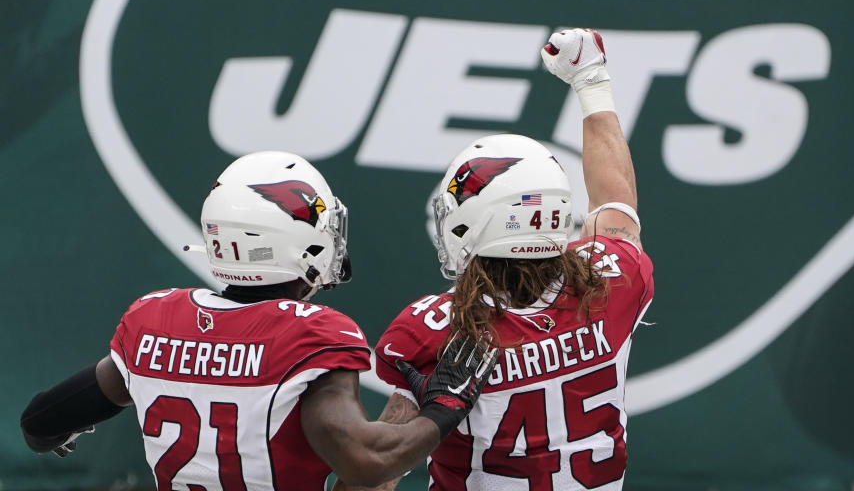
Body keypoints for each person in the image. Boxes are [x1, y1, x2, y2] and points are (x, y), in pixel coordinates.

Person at [20, 150, 498, 490]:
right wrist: (445, 407)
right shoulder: (311, 333)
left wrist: (57, 431)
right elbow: (366, 463)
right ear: (298, 242)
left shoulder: (153, 319)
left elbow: (39, 422)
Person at [355, 28, 655, 491]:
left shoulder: (435, 328)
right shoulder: (611, 282)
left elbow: (375, 474)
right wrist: (592, 80)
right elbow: (617, 206)